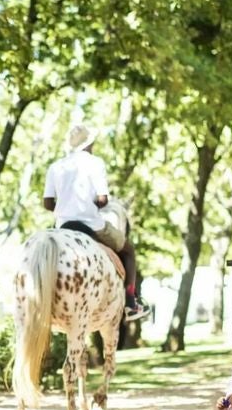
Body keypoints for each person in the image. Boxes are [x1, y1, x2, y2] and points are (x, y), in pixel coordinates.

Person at [43, 124, 151, 322]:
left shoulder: (56, 167)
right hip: (92, 224)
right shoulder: (95, 163)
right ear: (88, 144)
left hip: (62, 227)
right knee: (128, 250)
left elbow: (47, 203)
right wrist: (87, 205)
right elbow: (103, 200)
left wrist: (65, 206)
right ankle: (130, 303)